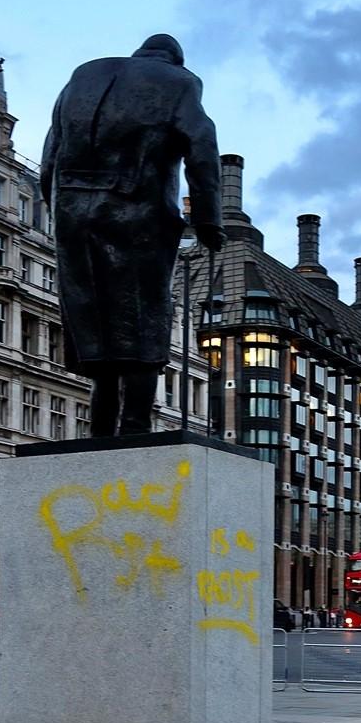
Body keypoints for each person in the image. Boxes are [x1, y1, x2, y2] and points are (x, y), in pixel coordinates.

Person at [41, 34, 224, 437]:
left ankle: (100, 429)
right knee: (143, 317)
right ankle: (137, 426)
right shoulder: (179, 82)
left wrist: (60, 209)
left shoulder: (83, 76)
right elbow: (202, 145)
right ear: (174, 59)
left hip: (73, 210)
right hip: (137, 211)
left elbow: (50, 155)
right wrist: (209, 219)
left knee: (92, 318)